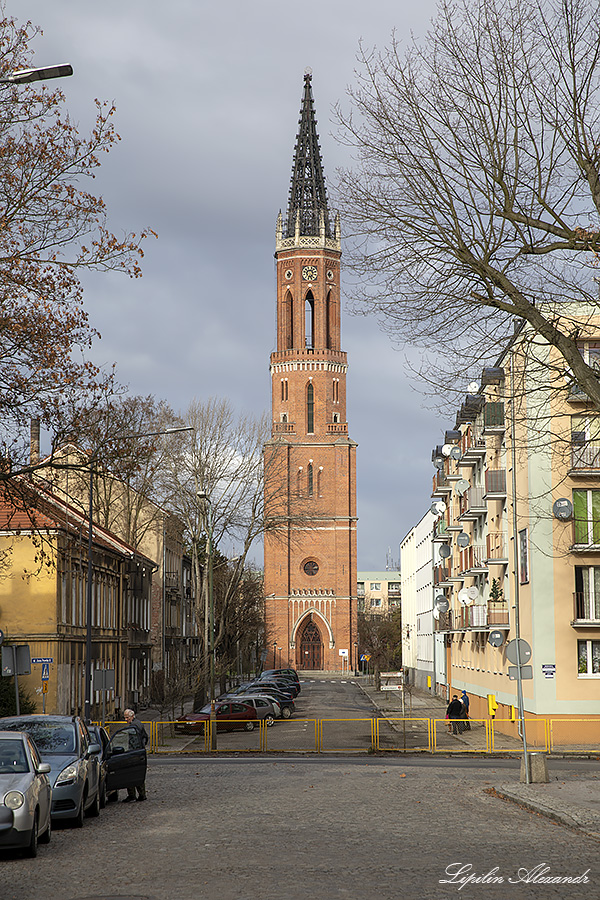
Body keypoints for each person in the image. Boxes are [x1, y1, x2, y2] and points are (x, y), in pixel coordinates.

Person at [122, 708, 149, 803]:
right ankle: (142, 794)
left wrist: (132, 751)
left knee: (130, 774)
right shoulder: (139, 723)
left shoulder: (133, 727)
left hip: (134, 753)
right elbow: (146, 737)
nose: (125, 719)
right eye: (125, 717)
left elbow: (133, 742)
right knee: (138, 773)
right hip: (140, 752)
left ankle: (132, 795)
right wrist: (142, 747)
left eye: (127, 717)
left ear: (132, 716)